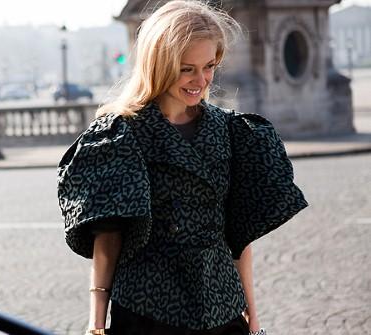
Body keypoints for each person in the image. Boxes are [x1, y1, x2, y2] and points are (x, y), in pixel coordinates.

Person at [57, 1, 308, 335]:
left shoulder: (234, 133)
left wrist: (251, 308)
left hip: (222, 307)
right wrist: (96, 321)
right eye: (186, 68)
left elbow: (238, 235)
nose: (200, 80)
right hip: (147, 309)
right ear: (159, 64)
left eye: (209, 66)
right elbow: (109, 235)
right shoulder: (120, 134)